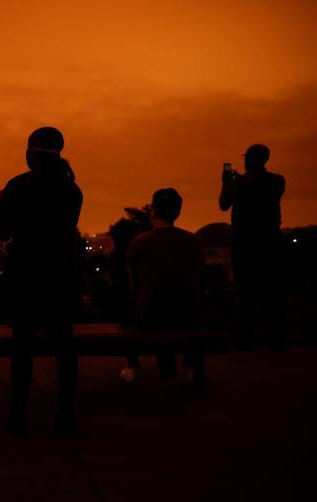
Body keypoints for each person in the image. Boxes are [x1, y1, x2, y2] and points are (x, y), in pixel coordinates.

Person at [0, 127, 83, 435]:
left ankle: (19, 409)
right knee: (64, 344)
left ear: (30, 153)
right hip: (62, 275)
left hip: (25, 273)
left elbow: (1, 232)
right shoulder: (72, 189)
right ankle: (66, 410)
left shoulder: (16, 187)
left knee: (22, 347)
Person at [119, 188, 206, 387]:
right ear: (178, 212)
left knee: (131, 308)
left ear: (153, 210)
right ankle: (188, 366)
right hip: (188, 315)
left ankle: (133, 367)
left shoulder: (138, 243)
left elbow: (134, 288)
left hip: (150, 316)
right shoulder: (194, 242)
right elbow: (199, 282)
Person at [219, 144, 286, 350]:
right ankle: (273, 337)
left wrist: (227, 183)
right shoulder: (277, 180)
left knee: (245, 292)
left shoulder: (239, 183)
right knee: (271, 291)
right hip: (270, 239)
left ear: (249, 159)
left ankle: (244, 337)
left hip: (245, 240)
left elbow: (223, 204)